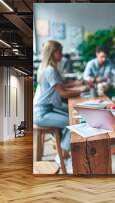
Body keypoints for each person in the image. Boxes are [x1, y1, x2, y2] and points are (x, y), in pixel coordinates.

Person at [34, 40, 88, 172]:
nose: (62, 54)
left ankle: (65, 151)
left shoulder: (47, 67)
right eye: (60, 51)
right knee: (74, 123)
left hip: (47, 109)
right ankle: (62, 155)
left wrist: (77, 85)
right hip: (42, 113)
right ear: (53, 52)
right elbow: (63, 93)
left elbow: (61, 85)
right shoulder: (50, 70)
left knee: (73, 118)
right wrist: (82, 90)